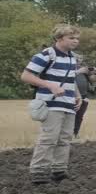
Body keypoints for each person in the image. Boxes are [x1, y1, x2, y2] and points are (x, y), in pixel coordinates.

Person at [21, 24, 82, 184]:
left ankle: (59, 170)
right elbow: (26, 76)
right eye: (71, 38)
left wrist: (77, 95)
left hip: (69, 104)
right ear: (59, 38)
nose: (75, 41)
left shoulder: (73, 57)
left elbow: (71, 79)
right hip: (51, 103)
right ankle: (39, 172)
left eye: (77, 38)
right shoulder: (46, 55)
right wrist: (50, 85)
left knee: (65, 138)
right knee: (49, 138)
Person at [73, 65, 94, 138]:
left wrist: (90, 68)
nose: (79, 60)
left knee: (79, 116)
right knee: (70, 116)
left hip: (84, 98)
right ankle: (68, 134)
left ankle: (75, 133)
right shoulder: (69, 69)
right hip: (72, 97)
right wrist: (77, 72)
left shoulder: (84, 71)